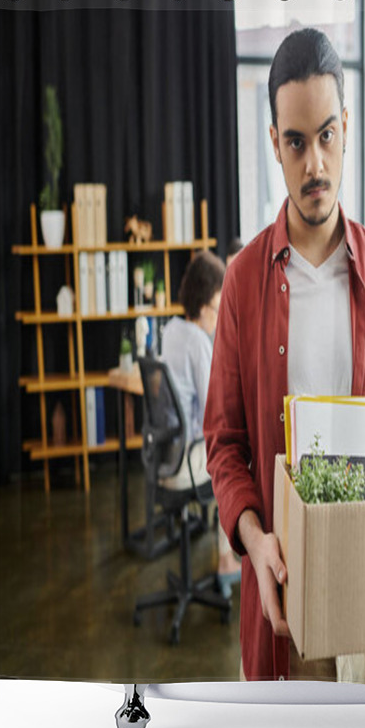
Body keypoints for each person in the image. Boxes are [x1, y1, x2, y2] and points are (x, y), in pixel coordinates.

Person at [203, 28, 365, 684]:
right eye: (297, 143)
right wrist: (253, 538)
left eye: (327, 136)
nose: (315, 165)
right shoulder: (243, 281)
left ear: (347, 129)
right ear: (274, 142)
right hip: (285, 597)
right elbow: (224, 443)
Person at [160, 250, 242, 597]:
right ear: (204, 303)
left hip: (166, 457)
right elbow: (215, 413)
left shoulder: (171, 330)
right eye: (217, 307)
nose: (219, 315)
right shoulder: (198, 342)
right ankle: (227, 559)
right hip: (188, 459)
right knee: (235, 459)